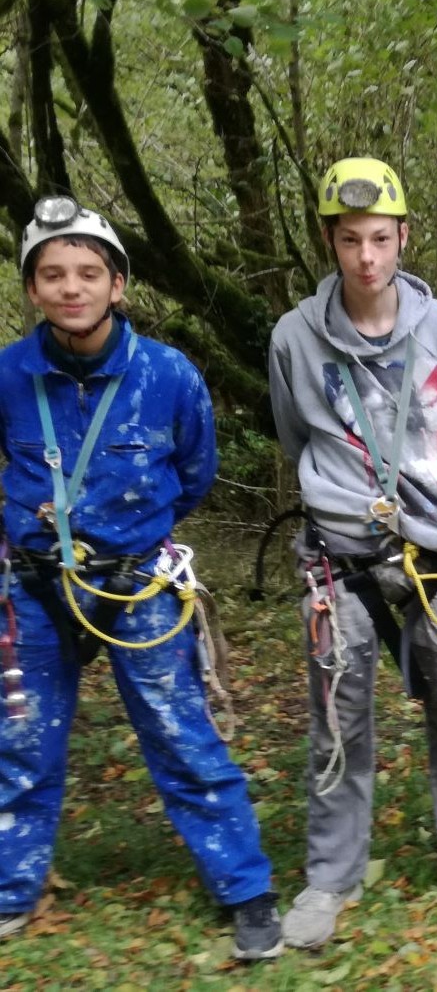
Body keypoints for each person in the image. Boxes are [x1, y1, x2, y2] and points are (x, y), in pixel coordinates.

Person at [0, 198, 281, 959]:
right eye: (52, 274)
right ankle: (11, 891)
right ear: (32, 289)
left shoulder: (168, 373)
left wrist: (134, 534)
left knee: (182, 733)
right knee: (21, 742)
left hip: (138, 586)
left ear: (118, 283)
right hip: (33, 586)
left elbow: (195, 473)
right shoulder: (8, 375)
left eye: (89, 272)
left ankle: (246, 889)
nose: (71, 288)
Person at [270, 157, 437, 948]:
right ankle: (330, 876)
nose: (367, 257)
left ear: (404, 236)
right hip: (340, 558)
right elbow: (293, 431)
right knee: (338, 720)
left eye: (381, 238)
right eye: (350, 240)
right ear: (330, 242)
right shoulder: (295, 338)